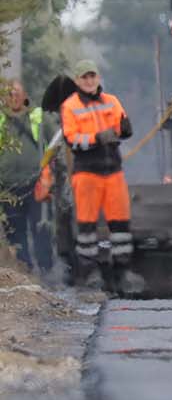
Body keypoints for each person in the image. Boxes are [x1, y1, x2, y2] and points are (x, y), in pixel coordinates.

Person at [59, 60, 137, 293]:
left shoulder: (111, 101)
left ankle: (123, 272)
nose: (89, 81)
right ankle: (90, 274)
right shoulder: (70, 106)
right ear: (77, 80)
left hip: (113, 169)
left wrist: (124, 128)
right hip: (86, 172)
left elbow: (122, 128)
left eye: (92, 76)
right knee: (87, 227)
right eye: (84, 77)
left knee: (121, 225)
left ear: (98, 77)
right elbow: (72, 138)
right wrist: (96, 138)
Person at [1, 81, 43, 271]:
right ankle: (25, 268)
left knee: (40, 229)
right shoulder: (1, 119)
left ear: (25, 95)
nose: (14, 97)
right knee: (16, 230)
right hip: (8, 186)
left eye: (17, 93)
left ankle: (47, 270)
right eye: (10, 93)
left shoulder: (37, 117)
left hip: (35, 183)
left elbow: (54, 145)